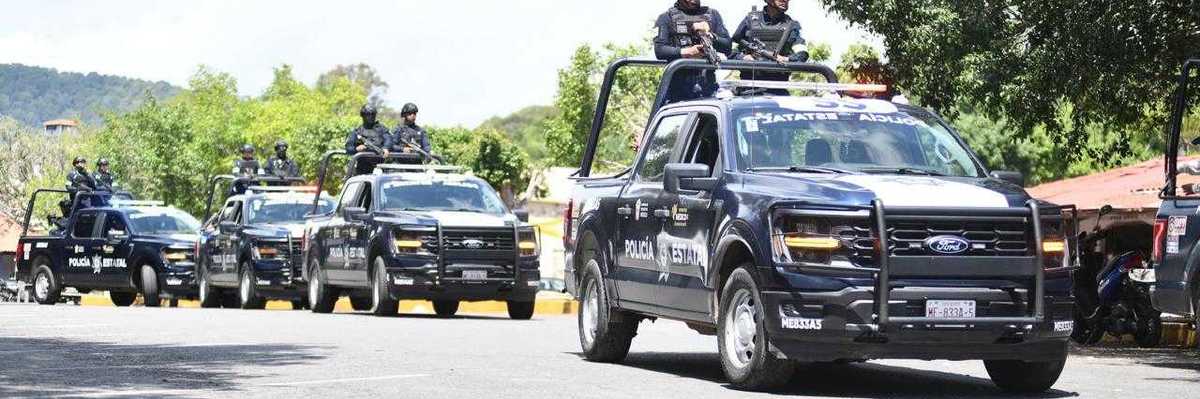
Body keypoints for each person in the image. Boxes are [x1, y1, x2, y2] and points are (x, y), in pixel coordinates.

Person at [653, 0, 732, 103]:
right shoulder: (666, 17)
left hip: (707, 89)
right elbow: (659, 50)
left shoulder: (713, 15)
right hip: (677, 91)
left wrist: (710, 35)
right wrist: (687, 52)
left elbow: (727, 47)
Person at [732, 0, 808, 93]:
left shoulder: (791, 25)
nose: (785, 1)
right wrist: (743, 58)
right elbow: (730, 51)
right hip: (748, 89)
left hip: (777, 90)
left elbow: (802, 54)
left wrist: (786, 59)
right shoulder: (750, 20)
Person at [345, 104, 392, 175]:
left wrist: (386, 147)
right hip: (363, 167)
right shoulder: (358, 131)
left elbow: (389, 139)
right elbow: (348, 148)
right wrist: (356, 149)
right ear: (363, 115)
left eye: (373, 114)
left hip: (381, 164)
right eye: (368, 114)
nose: (371, 117)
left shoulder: (382, 129)